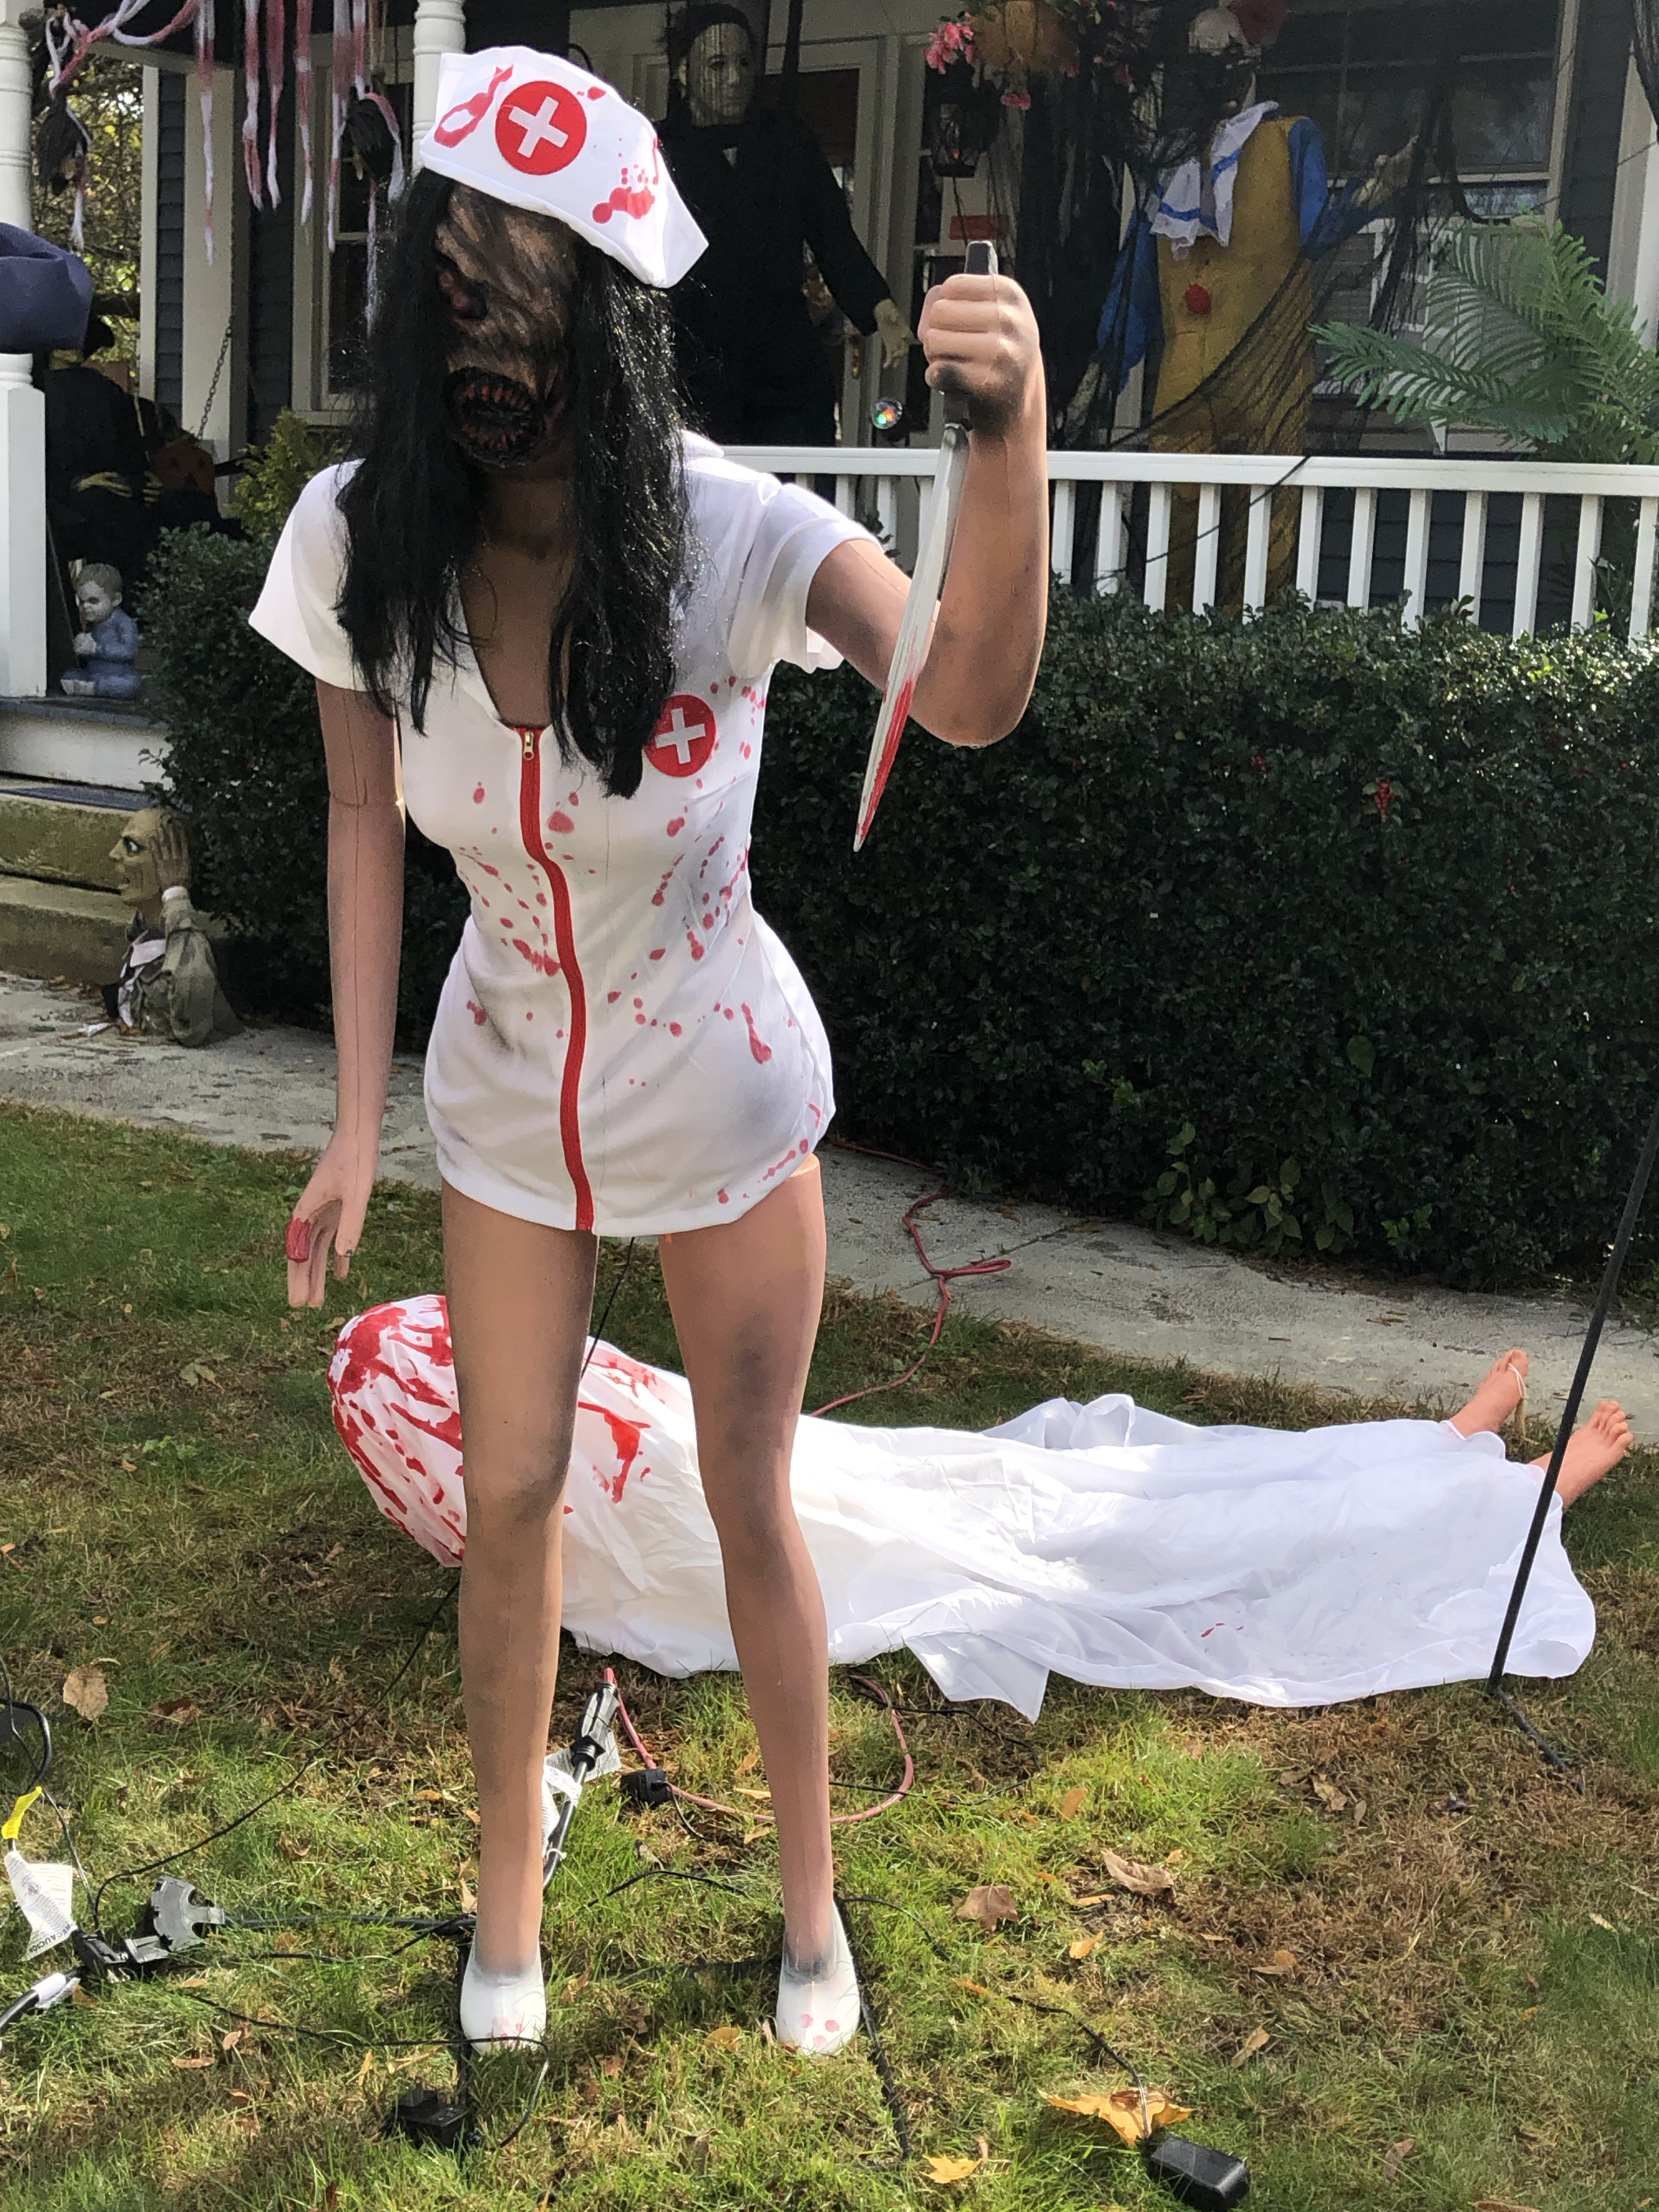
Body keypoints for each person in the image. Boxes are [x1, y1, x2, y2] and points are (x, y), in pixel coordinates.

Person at [248, 46, 1048, 2057]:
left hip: (723, 1081)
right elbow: (360, 815)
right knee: (509, 1492)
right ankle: (507, 1917)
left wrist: (1009, 437)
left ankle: (811, 1908)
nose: (480, 343)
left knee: (748, 1497)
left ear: (604, 316)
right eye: (452, 290)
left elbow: (965, 692)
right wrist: (349, 1124)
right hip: (504, 1088)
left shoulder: (734, 534)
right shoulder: (361, 538)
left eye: (522, 297)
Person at [333, 1331, 1623, 1749]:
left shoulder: (590, 1453)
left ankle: (1459, 1469)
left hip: (874, 1495)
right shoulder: (580, 1493)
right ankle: (1486, 1488)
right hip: (882, 1532)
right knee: (1135, 1526)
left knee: (1129, 1502)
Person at [659, 2, 914, 444]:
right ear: (684, 71)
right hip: (695, 361)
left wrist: (879, 306)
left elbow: (833, 235)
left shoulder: (788, 142)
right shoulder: (656, 151)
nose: (735, 78)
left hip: (784, 364)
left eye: (744, 63)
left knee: (800, 474)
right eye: (717, 65)